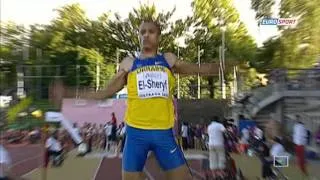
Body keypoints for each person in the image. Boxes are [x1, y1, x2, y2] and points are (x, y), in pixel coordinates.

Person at [81, 19, 220, 180]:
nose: (146, 35)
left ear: (158, 36)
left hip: (163, 134)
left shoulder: (168, 60)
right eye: (142, 32)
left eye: (151, 32)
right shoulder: (129, 63)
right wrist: (74, 94)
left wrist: (219, 67)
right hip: (135, 134)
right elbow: (106, 92)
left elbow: (197, 69)